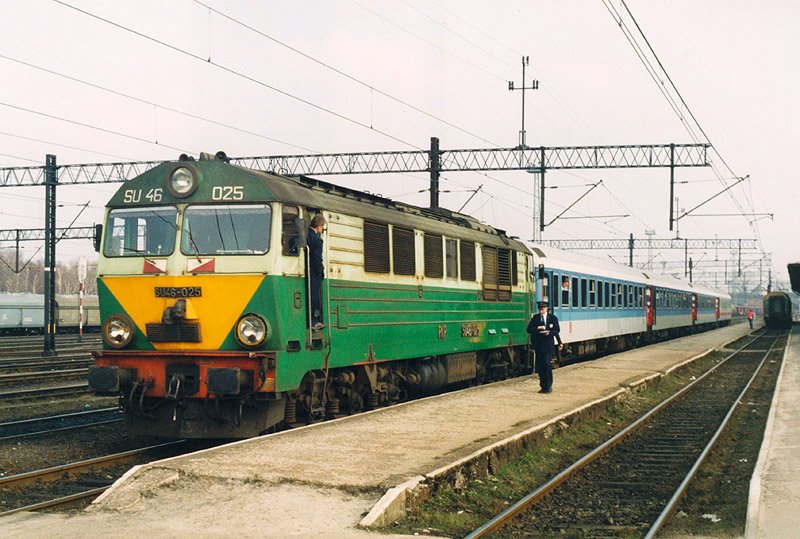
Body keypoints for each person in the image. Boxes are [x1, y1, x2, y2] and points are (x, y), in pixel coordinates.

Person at [527, 301, 563, 393]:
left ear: (546, 309)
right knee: (540, 366)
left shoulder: (553, 318)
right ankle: (543, 386)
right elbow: (529, 329)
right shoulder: (535, 318)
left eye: (542, 309)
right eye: (539, 309)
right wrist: (538, 328)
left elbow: (556, 330)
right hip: (538, 345)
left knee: (546, 364)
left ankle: (548, 386)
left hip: (548, 345)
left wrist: (550, 334)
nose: (540, 311)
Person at [308, 214, 326, 330]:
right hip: (313, 272)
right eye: (322, 227)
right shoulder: (317, 239)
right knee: (315, 297)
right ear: (319, 227)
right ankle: (314, 321)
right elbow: (317, 258)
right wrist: (320, 272)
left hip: (305, 271)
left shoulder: (306, 235)